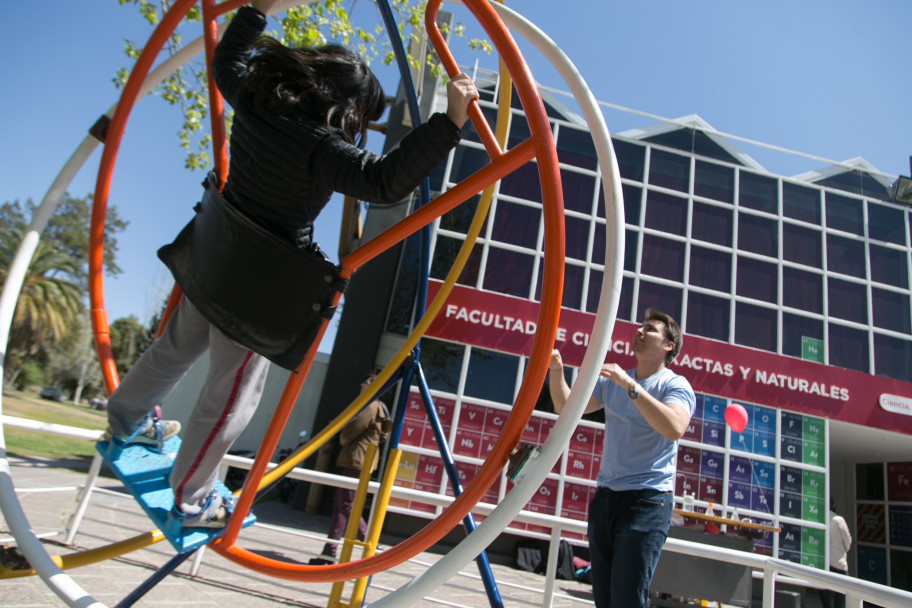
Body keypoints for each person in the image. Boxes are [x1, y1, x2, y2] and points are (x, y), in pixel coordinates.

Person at [102, 0, 478, 529]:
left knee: (173, 348)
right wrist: (449, 122)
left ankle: (124, 421)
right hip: (262, 284)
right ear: (345, 107)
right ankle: (191, 498)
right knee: (231, 394)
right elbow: (387, 182)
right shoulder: (321, 147)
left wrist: (257, 9)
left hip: (216, 254)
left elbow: (225, 62)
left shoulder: (256, 103)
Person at [549, 308, 695, 608]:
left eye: (651, 329)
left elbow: (674, 427)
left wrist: (629, 387)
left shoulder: (674, 385)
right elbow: (566, 407)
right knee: (604, 598)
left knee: (627, 599)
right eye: (640, 327)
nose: (639, 331)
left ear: (668, 346)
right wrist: (555, 370)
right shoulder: (615, 381)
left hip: (646, 502)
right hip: (606, 500)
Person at [309, 373, 391, 564]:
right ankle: (329, 552)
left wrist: (342, 439)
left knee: (346, 504)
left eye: (367, 382)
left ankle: (372, 545)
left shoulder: (369, 406)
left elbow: (350, 431)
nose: (362, 384)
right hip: (362, 460)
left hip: (357, 459)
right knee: (340, 505)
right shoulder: (379, 407)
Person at [820, 498, 852, 608]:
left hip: (824, 560)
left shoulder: (819, 518)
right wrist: (845, 549)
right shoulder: (838, 520)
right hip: (838, 561)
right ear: (833, 506)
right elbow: (847, 541)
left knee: (823, 587)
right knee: (842, 589)